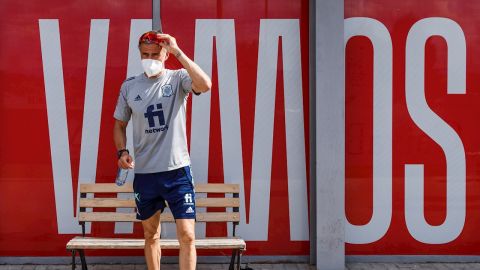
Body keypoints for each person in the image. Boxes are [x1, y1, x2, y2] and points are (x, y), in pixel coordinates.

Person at [113, 30, 211, 270]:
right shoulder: (130, 86)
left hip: (177, 172)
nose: (150, 59)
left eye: (155, 54)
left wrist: (178, 51)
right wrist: (121, 152)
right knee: (151, 235)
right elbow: (119, 124)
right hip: (146, 175)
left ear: (165, 54)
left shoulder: (178, 79)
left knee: (187, 235)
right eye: (145, 54)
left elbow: (205, 84)